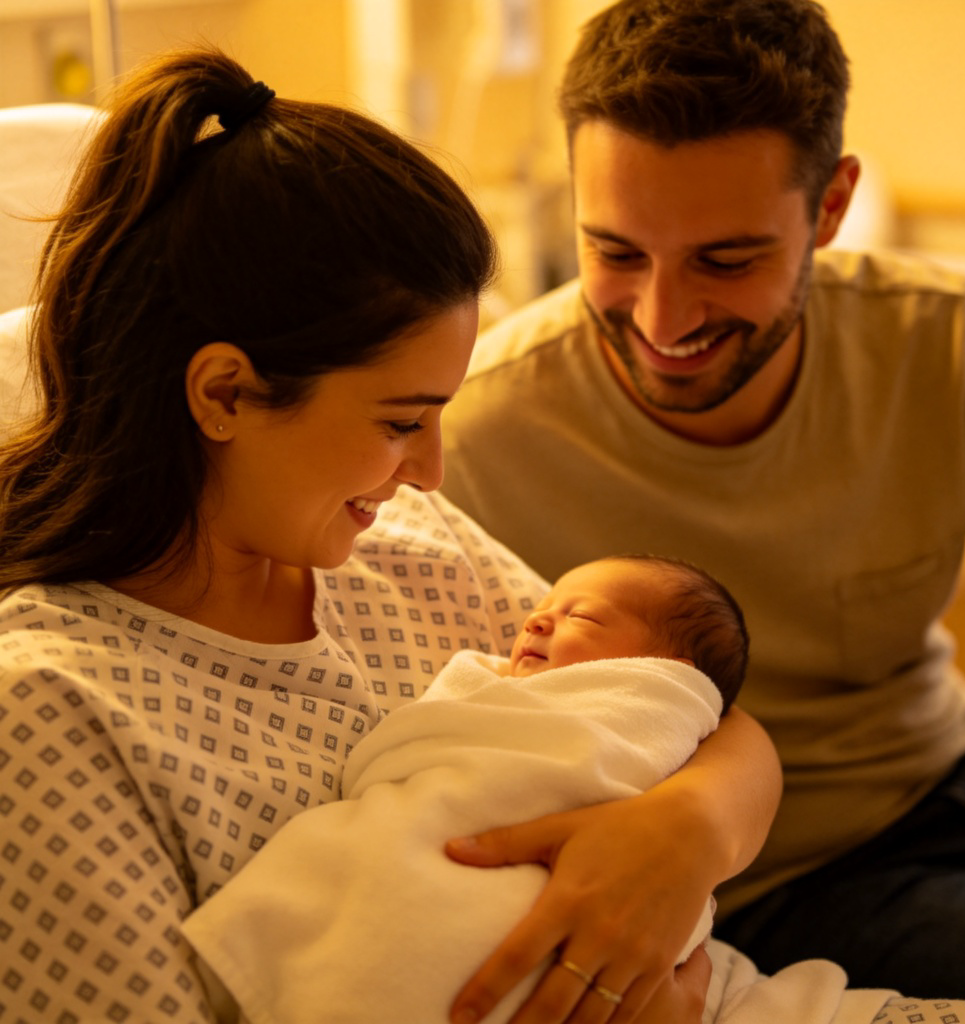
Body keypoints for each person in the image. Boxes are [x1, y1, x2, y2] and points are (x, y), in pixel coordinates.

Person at [0, 44, 784, 1024]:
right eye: (402, 420)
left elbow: (681, 700)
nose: (431, 470)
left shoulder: (409, 549)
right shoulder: (50, 716)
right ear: (225, 393)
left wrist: (690, 828)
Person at [439, 0, 965, 1007]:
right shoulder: (476, 442)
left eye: (726, 259)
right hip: (790, 874)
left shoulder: (947, 341)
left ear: (830, 208)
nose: (662, 319)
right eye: (616, 252)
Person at [181, 554, 746, 1024]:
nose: (536, 621)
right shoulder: (497, 688)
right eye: (542, 608)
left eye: (582, 617)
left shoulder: (660, 719)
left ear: (666, 672)